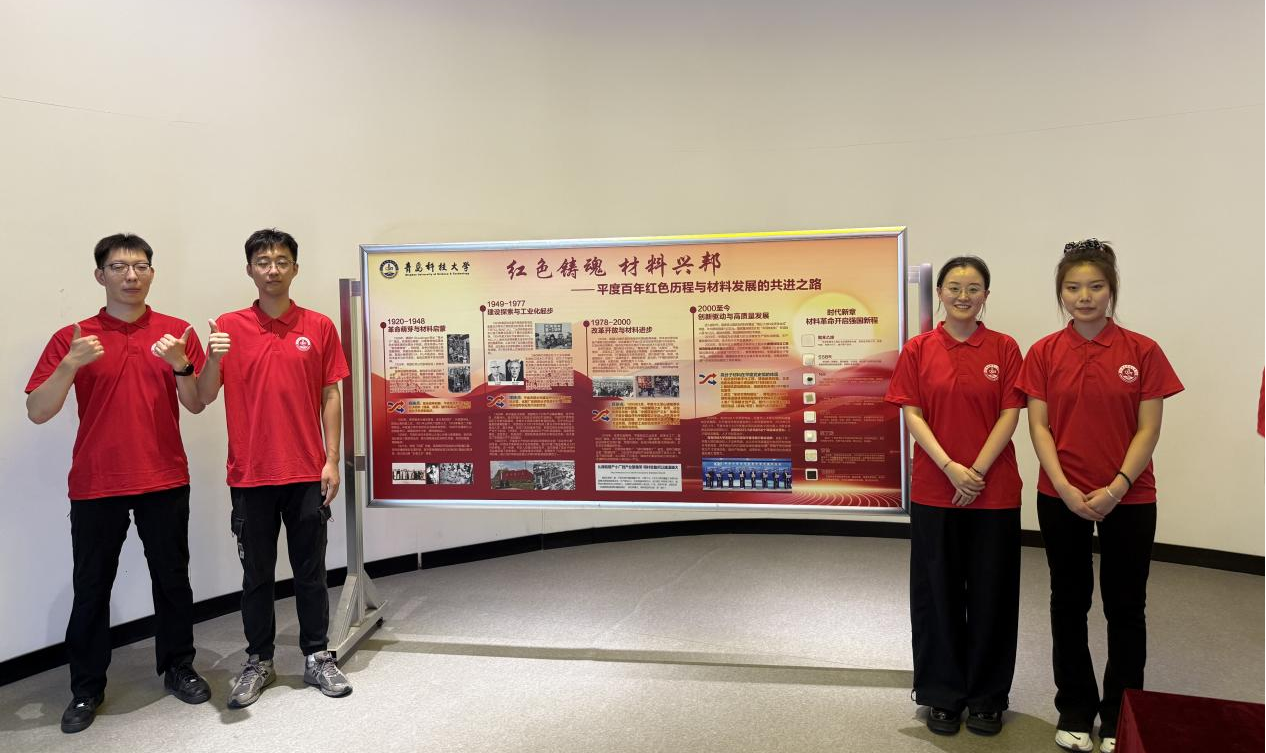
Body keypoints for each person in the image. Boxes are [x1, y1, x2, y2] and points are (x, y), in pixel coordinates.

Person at [25, 234, 211, 733]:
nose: (131, 275)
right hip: (96, 482)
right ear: (100, 275)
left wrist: (182, 365)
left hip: (164, 475)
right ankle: (86, 688)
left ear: (152, 273)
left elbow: (196, 403)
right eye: (119, 266)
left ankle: (179, 666)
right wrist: (70, 364)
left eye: (141, 266)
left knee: (172, 580)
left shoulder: (177, 332)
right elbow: (38, 411)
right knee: (91, 588)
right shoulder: (74, 337)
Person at [1017, 239, 1183, 753]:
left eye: (1095, 286)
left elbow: (1148, 428)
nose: (1084, 297)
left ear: (1112, 290)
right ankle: (1074, 707)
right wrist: (1065, 488)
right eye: (1073, 288)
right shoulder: (1044, 352)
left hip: (1129, 498)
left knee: (1126, 606)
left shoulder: (1143, 350)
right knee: (1068, 602)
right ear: (1061, 293)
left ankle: (1120, 714)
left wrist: (1117, 487)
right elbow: (1039, 427)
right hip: (1059, 495)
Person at [197, 228, 353, 708]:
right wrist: (213, 358)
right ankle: (258, 661)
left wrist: (331, 459)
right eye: (262, 261)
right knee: (257, 576)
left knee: (311, 571)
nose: (272, 269)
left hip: (306, 471)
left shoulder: (319, 325)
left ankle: (317, 655)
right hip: (251, 474)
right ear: (249, 270)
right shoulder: (228, 327)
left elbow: (331, 394)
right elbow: (204, 396)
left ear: (295, 269)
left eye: (282, 261)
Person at [883, 256, 1025, 738]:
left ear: (986, 295)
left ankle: (987, 697)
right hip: (935, 489)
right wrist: (950, 468)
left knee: (992, 596)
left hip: (994, 492)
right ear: (940, 293)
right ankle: (941, 694)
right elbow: (912, 414)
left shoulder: (1005, 348)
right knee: (936, 594)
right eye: (955, 287)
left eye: (974, 288)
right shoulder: (919, 349)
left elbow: (1010, 414)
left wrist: (976, 472)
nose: (964, 296)